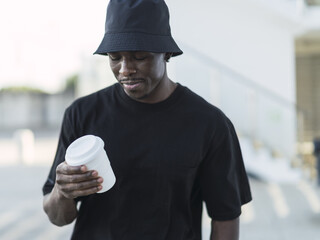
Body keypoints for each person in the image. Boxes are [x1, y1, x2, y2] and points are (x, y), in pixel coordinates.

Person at [42, 0, 252, 239]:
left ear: (167, 53)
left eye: (139, 57)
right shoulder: (81, 114)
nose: (124, 69)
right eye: (114, 57)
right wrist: (62, 192)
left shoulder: (210, 124)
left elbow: (225, 217)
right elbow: (59, 217)